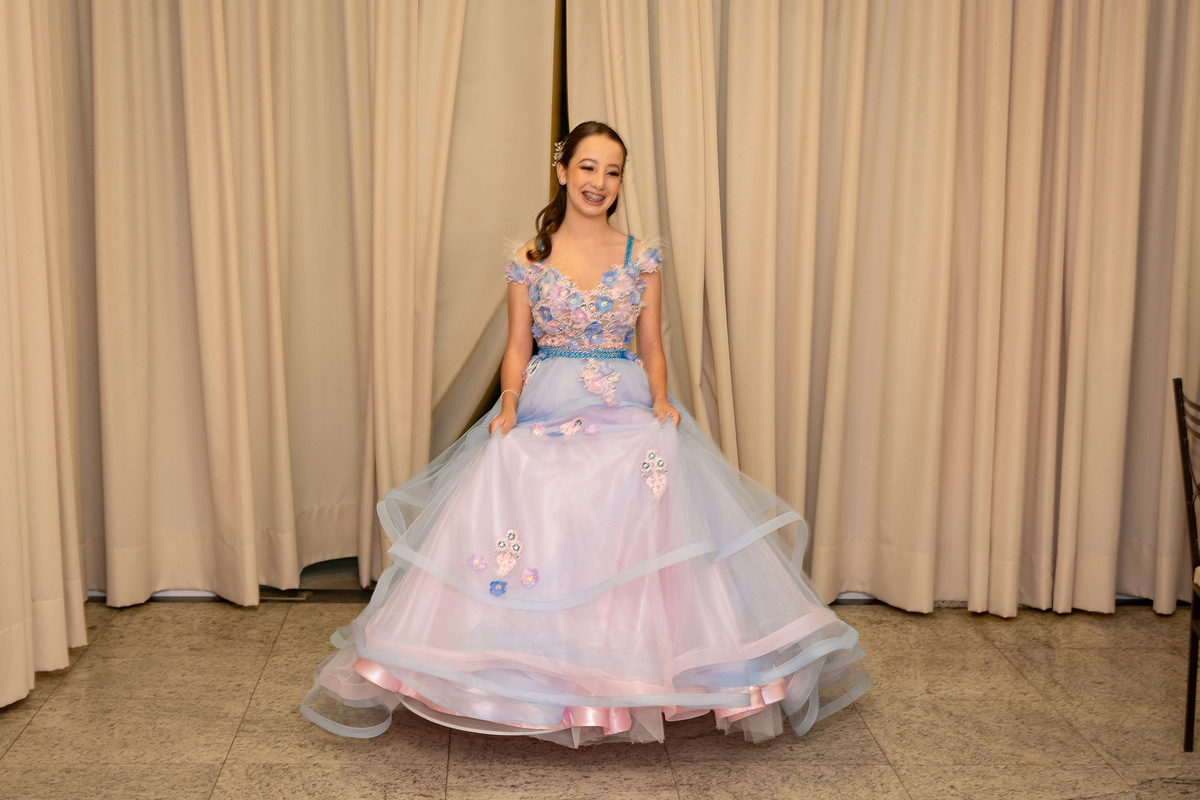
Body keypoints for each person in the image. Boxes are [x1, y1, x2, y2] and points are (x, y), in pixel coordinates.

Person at [301, 121, 871, 747]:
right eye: (589, 167)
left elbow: (652, 346)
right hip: (547, 400)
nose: (600, 182)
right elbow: (517, 348)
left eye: (613, 171)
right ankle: (521, 667)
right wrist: (508, 406)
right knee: (515, 470)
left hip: (622, 399)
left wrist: (661, 401)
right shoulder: (530, 259)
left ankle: (635, 667)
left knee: (650, 471)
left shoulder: (640, 258)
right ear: (563, 170)